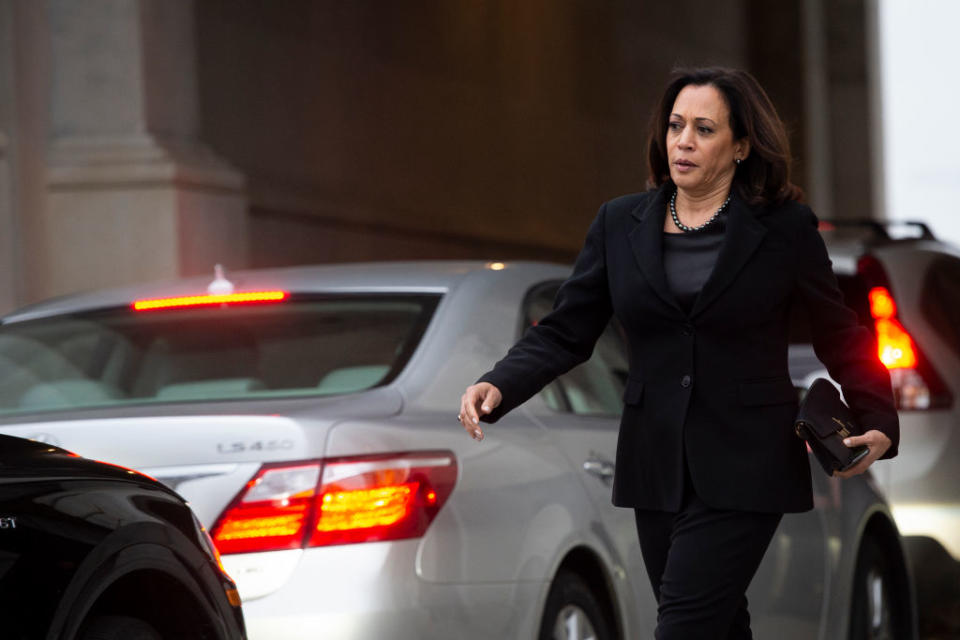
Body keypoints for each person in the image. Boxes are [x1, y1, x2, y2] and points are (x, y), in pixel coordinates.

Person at [457, 67, 899, 639]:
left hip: (747, 462)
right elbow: (568, 329)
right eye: (675, 125)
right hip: (655, 461)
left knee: (685, 624)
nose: (683, 141)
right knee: (714, 623)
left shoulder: (783, 229)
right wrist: (501, 382)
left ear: (741, 146)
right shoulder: (620, 223)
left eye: (704, 128)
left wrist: (878, 415)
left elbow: (837, 331)